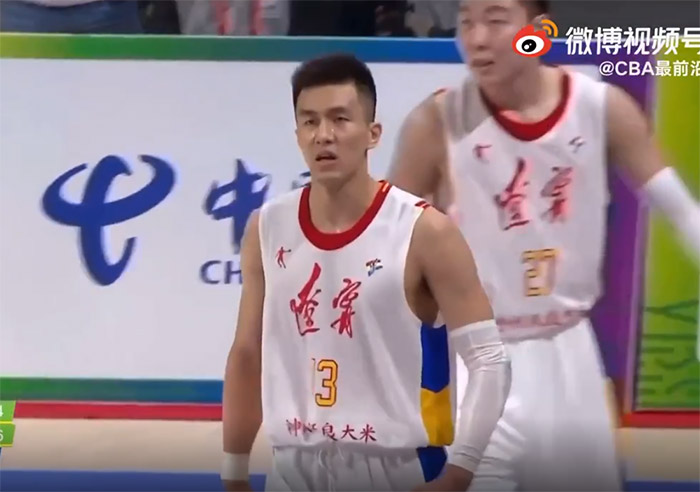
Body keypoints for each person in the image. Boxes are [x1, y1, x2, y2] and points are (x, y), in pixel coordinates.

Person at [388, 0, 700, 490]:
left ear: (539, 31)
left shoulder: (601, 107)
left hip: (571, 354)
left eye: (495, 20)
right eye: (466, 22)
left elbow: (682, 211)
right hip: (480, 357)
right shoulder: (436, 122)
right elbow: (384, 248)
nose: (477, 38)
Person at [220, 53, 512, 492]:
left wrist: (459, 473)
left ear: (373, 134)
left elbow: (488, 358)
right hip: (292, 467)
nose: (324, 135)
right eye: (310, 122)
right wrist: (234, 470)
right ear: (297, 135)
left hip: (395, 468)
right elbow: (248, 353)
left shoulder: (424, 231)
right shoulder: (267, 226)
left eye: (340, 119)